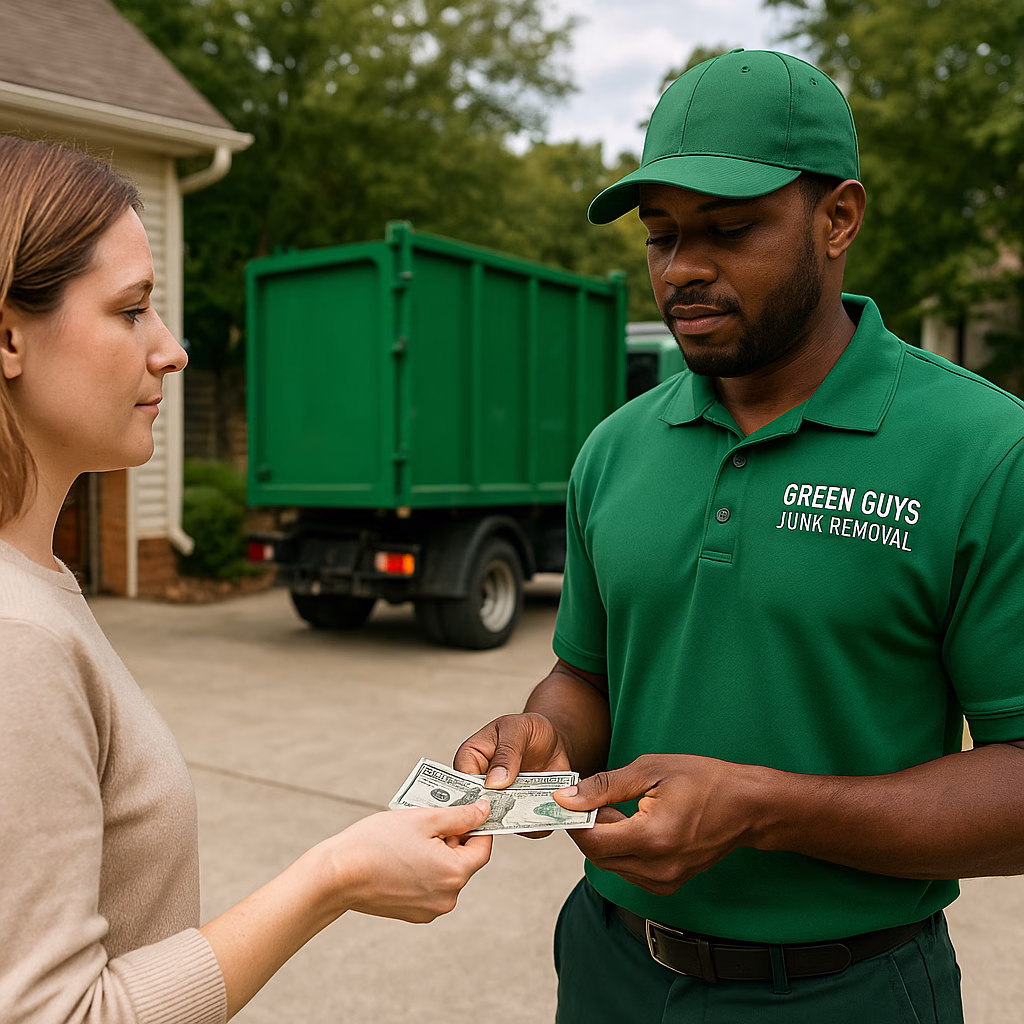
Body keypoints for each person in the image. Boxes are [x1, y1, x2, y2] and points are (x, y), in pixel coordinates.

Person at [454, 48, 1024, 1023]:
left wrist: (768, 807)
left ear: (838, 218)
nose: (683, 269)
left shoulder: (983, 451)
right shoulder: (614, 450)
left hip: (847, 990)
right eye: (662, 235)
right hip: (608, 972)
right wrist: (545, 733)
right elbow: (585, 673)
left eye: (729, 229)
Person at [0, 135, 492, 1023]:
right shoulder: (18, 637)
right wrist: (332, 879)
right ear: (8, 336)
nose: (173, 350)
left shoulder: (37, 589)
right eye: (131, 310)